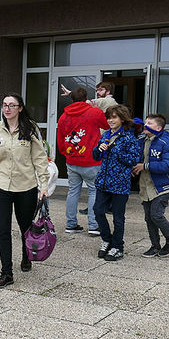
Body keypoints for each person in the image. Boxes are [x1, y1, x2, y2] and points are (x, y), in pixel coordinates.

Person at [0, 93, 49, 288]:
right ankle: (6, 272)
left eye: (12, 105)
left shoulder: (30, 128)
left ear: (20, 108)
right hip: (1, 185)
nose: (7, 108)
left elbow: (40, 158)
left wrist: (44, 185)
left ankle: (26, 256)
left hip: (25, 185)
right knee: (3, 229)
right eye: (4, 105)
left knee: (25, 226)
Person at [92, 104, 143, 262]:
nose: (110, 120)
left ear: (122, 118)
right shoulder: (105, 134)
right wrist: (98, 149)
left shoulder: (129, 138)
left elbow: (134, 160)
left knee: (118, 218)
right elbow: (95, 157)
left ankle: (117, 246)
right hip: (103, 182)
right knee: (98, 211)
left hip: (120, 183)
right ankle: (107, 239)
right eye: (109, 117)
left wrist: (116, 151)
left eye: (114, 117)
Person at [56, 87, 108, 236]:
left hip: (72, 159)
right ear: (86, 98)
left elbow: (60, 139)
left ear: (71, 99)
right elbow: (106, 125)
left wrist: (65, 153)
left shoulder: (63, 116)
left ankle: (71, 224)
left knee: (73, 191)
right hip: (91, 160)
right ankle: (93, 225)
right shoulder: (94, 112)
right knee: (93, 191)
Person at [132, 113, 169, 257]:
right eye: (145, 122)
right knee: (148, 217)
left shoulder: (167, 142)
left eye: (150, 123)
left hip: (162, 185)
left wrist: (145, 166)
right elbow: (136, 155)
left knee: (156, 215)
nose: (146, 125)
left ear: (159, 128)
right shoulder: (143, 139)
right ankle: (155, 245)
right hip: (146, 184)